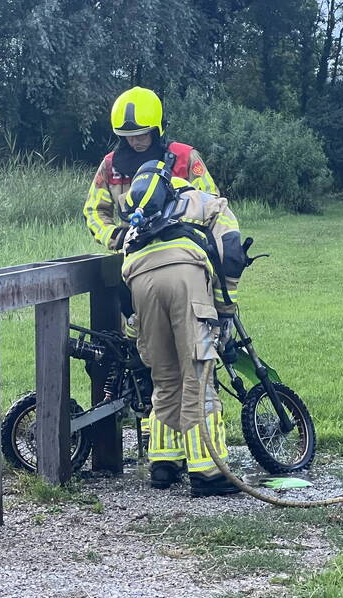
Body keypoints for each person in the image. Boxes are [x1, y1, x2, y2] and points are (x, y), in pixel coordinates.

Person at [118, 159, 246, 497]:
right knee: (198, 371)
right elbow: (231, 249)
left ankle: (164, 462)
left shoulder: (140, 214)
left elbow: (123, 261)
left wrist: (134, 325)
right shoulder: (203, 201)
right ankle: (209, 470)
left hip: (139, 282)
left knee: (164, 375)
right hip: (185, 279)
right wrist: (225, 304)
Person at [83, 86, 218, 256]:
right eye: (128, 136)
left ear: (156, 130)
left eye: (141, 135)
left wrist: (190, 230)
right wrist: (116, 236)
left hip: (186, 252)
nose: (134, 141)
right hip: (134, 255)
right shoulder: (110, 165)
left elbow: (211, 201)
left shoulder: (185, 157)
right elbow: (94, 211)